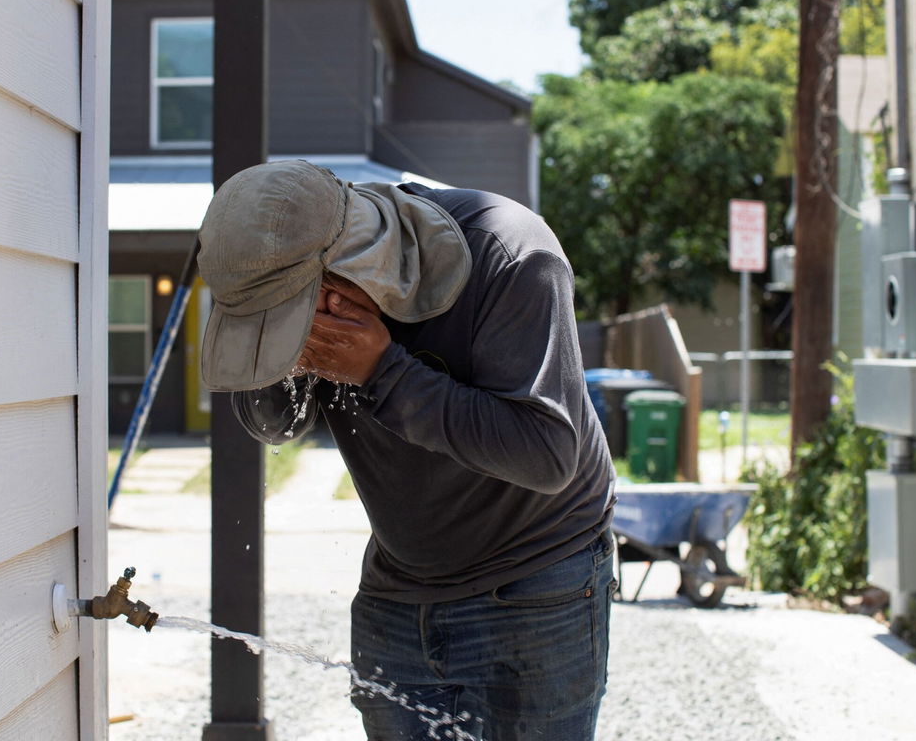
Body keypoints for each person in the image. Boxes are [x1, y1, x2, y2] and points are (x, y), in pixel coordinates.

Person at [197, 159, 616, 740]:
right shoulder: (293, 269)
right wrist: (279, 357)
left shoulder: (510, 253)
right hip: (398, 588)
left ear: (350, 268)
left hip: (537, 577)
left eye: (289, 311)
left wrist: (380, 370)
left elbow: (545, 454)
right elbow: (275, 425)